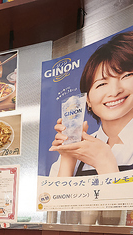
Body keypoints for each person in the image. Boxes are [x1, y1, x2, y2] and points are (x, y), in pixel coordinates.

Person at [49, 31, 133, 176]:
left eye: (126, 76)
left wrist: (104, 162)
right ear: (87, 100)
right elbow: (57, 192)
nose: (115, 91)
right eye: (101, 84)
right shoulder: (80, 148)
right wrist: (68, 156)